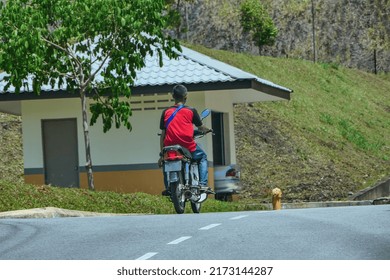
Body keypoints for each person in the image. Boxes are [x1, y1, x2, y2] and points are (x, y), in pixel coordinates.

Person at [159, 84, 213, 196]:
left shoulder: (166, 112)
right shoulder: (191, 111)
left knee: (166, 160)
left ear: (173, 96)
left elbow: (162, 135)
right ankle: (202, 184)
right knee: (202, 157)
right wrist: (208, 130)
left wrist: (161, 154)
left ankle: (168, 187)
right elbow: (201, 127)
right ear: (185, 97)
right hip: (187, 146)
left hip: (169, 146)